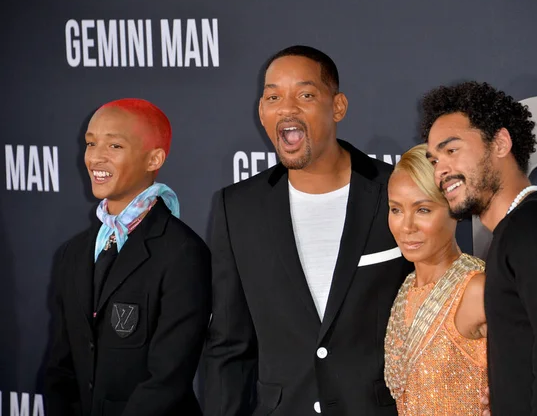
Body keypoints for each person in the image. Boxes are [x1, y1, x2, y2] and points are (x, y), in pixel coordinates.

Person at [204, 45, 413, 416]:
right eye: (273, 97)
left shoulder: (395, 192)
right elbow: (228, 345)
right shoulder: (237, 208)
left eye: (305, 94)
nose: (287, 108)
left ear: (338, 107)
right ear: (262, 113)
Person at [422, 81, 537, 415]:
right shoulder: (521, 228)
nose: (441, 170)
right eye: (434, 160)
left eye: (452, 150)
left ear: (501, 142)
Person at [44, 99, 211, 416]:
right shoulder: (74, 253)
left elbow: (167, 381)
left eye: (115, 145)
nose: (96, 157)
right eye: (91, 143)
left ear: (154, 159)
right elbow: (60, 370)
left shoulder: (184, 253)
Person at [384, 144, 487, 415]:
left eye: (423, 210)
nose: (406, 226)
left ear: (455, 209)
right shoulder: (406, 290)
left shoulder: (476, 290)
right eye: (396, 209)